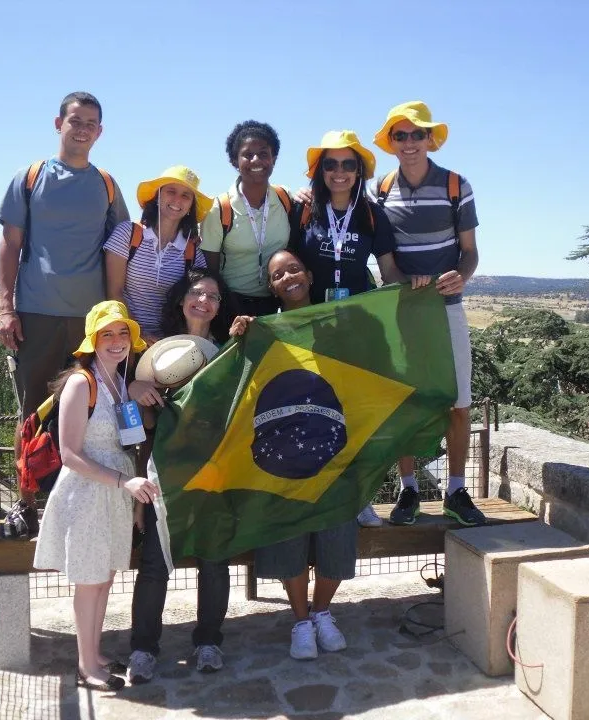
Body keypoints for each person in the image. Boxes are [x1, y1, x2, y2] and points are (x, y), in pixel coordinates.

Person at [0, 91, 130, 513]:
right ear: (59, 124)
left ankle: (80, 498)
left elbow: (121, 249)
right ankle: (28, 500)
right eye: (76, 121)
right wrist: (5, 308)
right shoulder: (30, 177)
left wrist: (117, 313)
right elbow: (9, 244)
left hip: (90, 324)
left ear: (100, 132)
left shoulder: (107, 185)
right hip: (36, 315)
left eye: (91, 123)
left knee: (91, 411)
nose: (83, 129)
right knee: (33, 411)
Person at [230, 250, 357, 661]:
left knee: (338, 536)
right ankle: (301, 621)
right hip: (282, 454)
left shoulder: (334, 323)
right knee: (288, 537)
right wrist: (242, 336)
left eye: (294, 269)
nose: (288, 277)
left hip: (333, 448)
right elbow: (239, 378)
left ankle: (323, 612)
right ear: (271, 287)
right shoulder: (263, 329)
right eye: (278, 274)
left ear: (308, 274)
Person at [33, 300, 158, 691]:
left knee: (102, 580)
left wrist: (127, 493)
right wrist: (125, 484)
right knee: (89, 583)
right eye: (109, 334)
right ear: (93, 340)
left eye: (123, 334)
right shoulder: (80, 382)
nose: (118, 341)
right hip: (87, 496)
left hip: (113, 495)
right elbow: (70, 454)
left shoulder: (118, 380)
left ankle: (95, 652)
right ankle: (86, 667)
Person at [371, 100, 485, 527]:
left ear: (430, 138)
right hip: (403, 313)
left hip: (448, 308)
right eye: (400, 135)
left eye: (417, 134)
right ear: (391, 143)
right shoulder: (380, 190)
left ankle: (456, 489)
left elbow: (470, 253)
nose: (409, 142)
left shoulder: (456, 185)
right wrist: (402, 282)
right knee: (404, 402)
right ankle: (409, 490)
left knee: (458, 402)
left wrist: (461, 276)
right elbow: (384, 255)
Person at [290, 130, 405, 528]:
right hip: (311, 327)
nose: (339, 172)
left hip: (358, 331)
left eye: (348, 164)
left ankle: (358, 498)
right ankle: (315, 496)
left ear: (359, 171)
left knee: (355, 415)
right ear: (318, 170)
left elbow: (389, 270)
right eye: (330, 164)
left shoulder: (372, 214)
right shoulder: (301, 209)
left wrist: (415, 295)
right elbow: (285, 262)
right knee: (313, 411)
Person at [125, 269, 235, 683]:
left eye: (213, 296)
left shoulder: (229, 352)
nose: (204, 301)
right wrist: (136, 389)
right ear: (181, 300)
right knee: (154, 564)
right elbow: (137, 427)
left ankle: (209, 641)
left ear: (220, 307)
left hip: (215, 473)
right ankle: (143, 648)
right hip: (163, 475)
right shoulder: (152, 354)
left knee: (214, 560)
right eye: (196, 293)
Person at [104, 166, 213, 342]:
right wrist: (139, 335)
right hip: (125, 339)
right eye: (171, 191)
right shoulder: (127, 234)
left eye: (186, 195)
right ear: (158, 196)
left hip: (170, 343)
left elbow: (198, 300)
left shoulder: (193, 252)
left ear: (190, 206)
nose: (178, 200)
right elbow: (113, 292)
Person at [200, 120, 293, 318]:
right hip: (232, 305)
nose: (256, 160)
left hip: (278, 301)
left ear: (274, 159)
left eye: (263, 153)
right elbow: (211, 271)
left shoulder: (285, 199)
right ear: (235, 161)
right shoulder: (220, 209)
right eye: (247, 155)